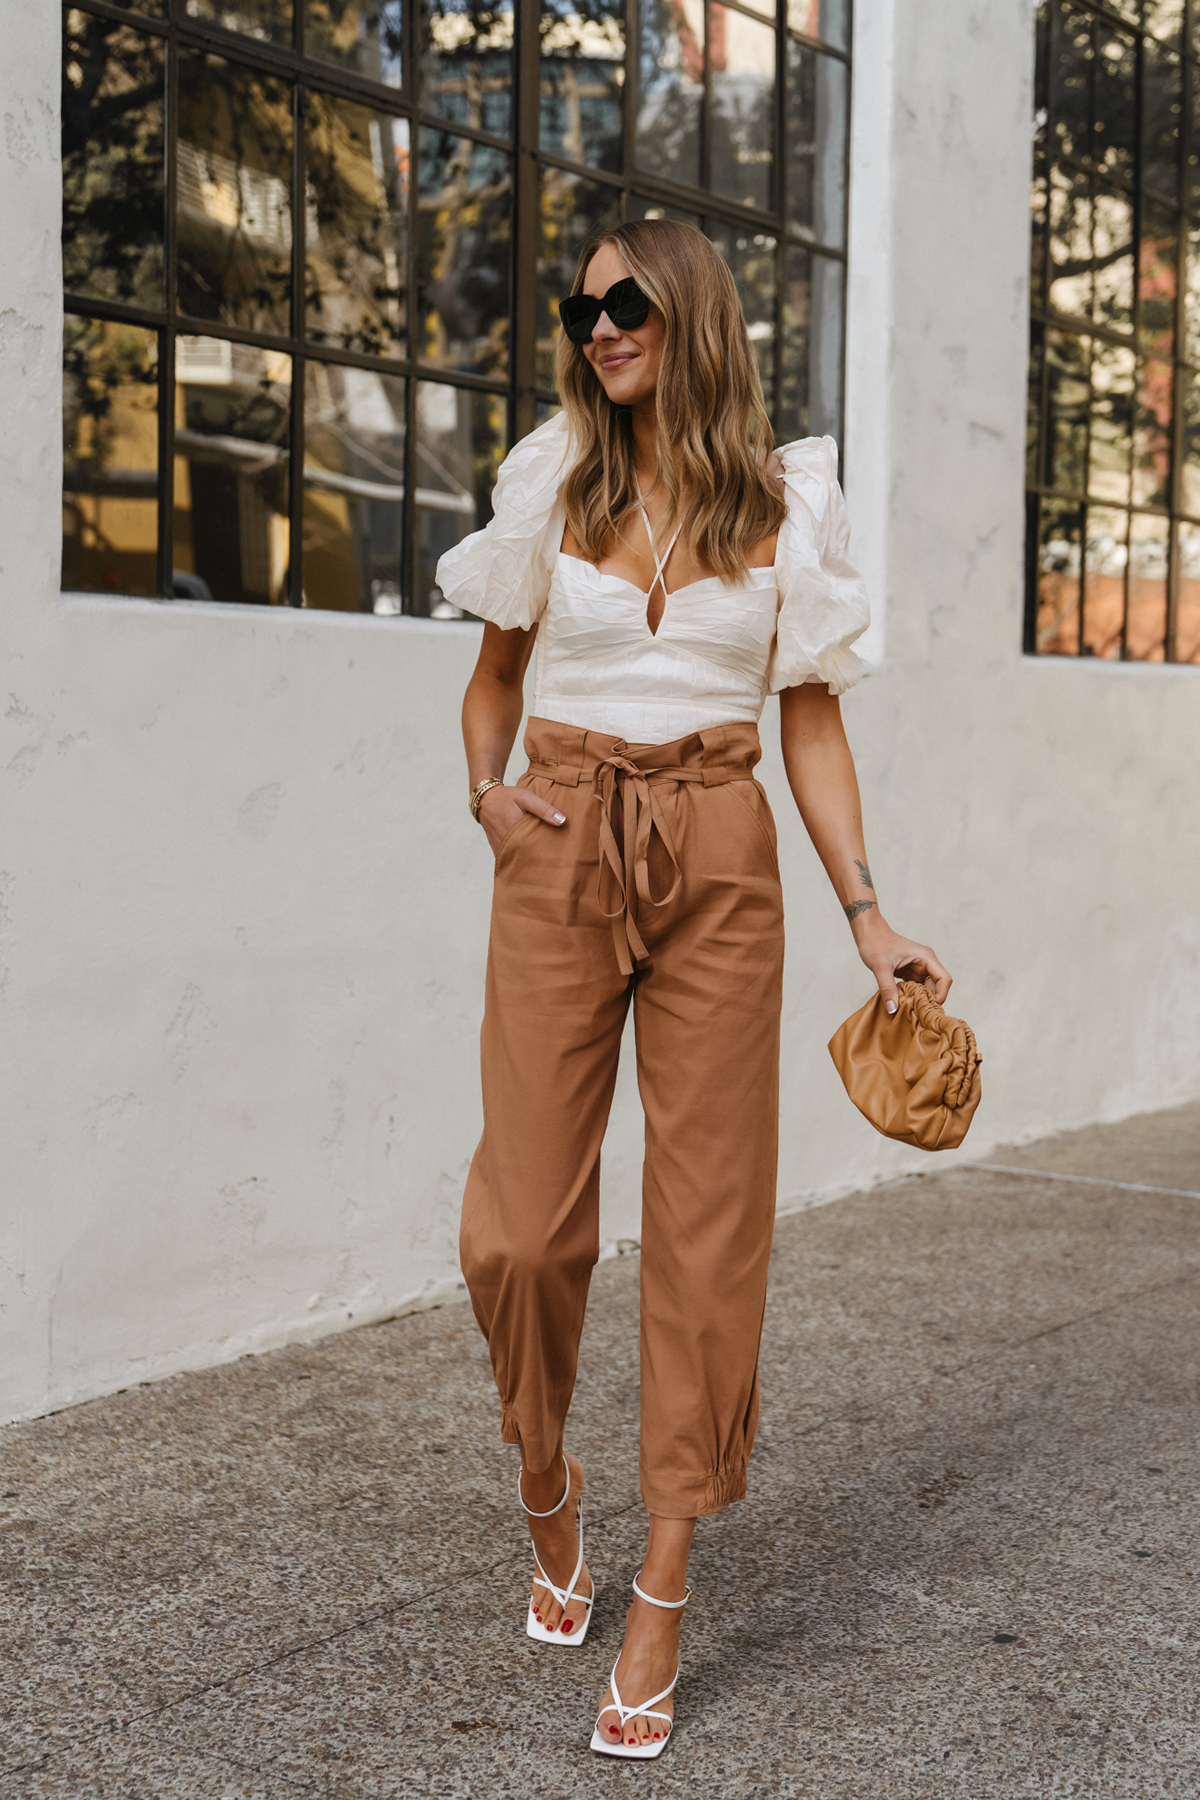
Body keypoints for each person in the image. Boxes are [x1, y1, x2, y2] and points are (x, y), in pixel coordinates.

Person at [437, 219, 951, 1759]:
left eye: (625, 301)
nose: (597, 326)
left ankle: (661, 1581)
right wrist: (488, 793)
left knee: (711, 1225)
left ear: (694, 311)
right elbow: (491, 683)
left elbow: (809, 726)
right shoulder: (557, 481)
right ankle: (546, 1471)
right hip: (564, 832)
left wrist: (870, 916)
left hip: (721, 849)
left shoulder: (787, 505)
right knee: (518, 1231)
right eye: (580, 304)